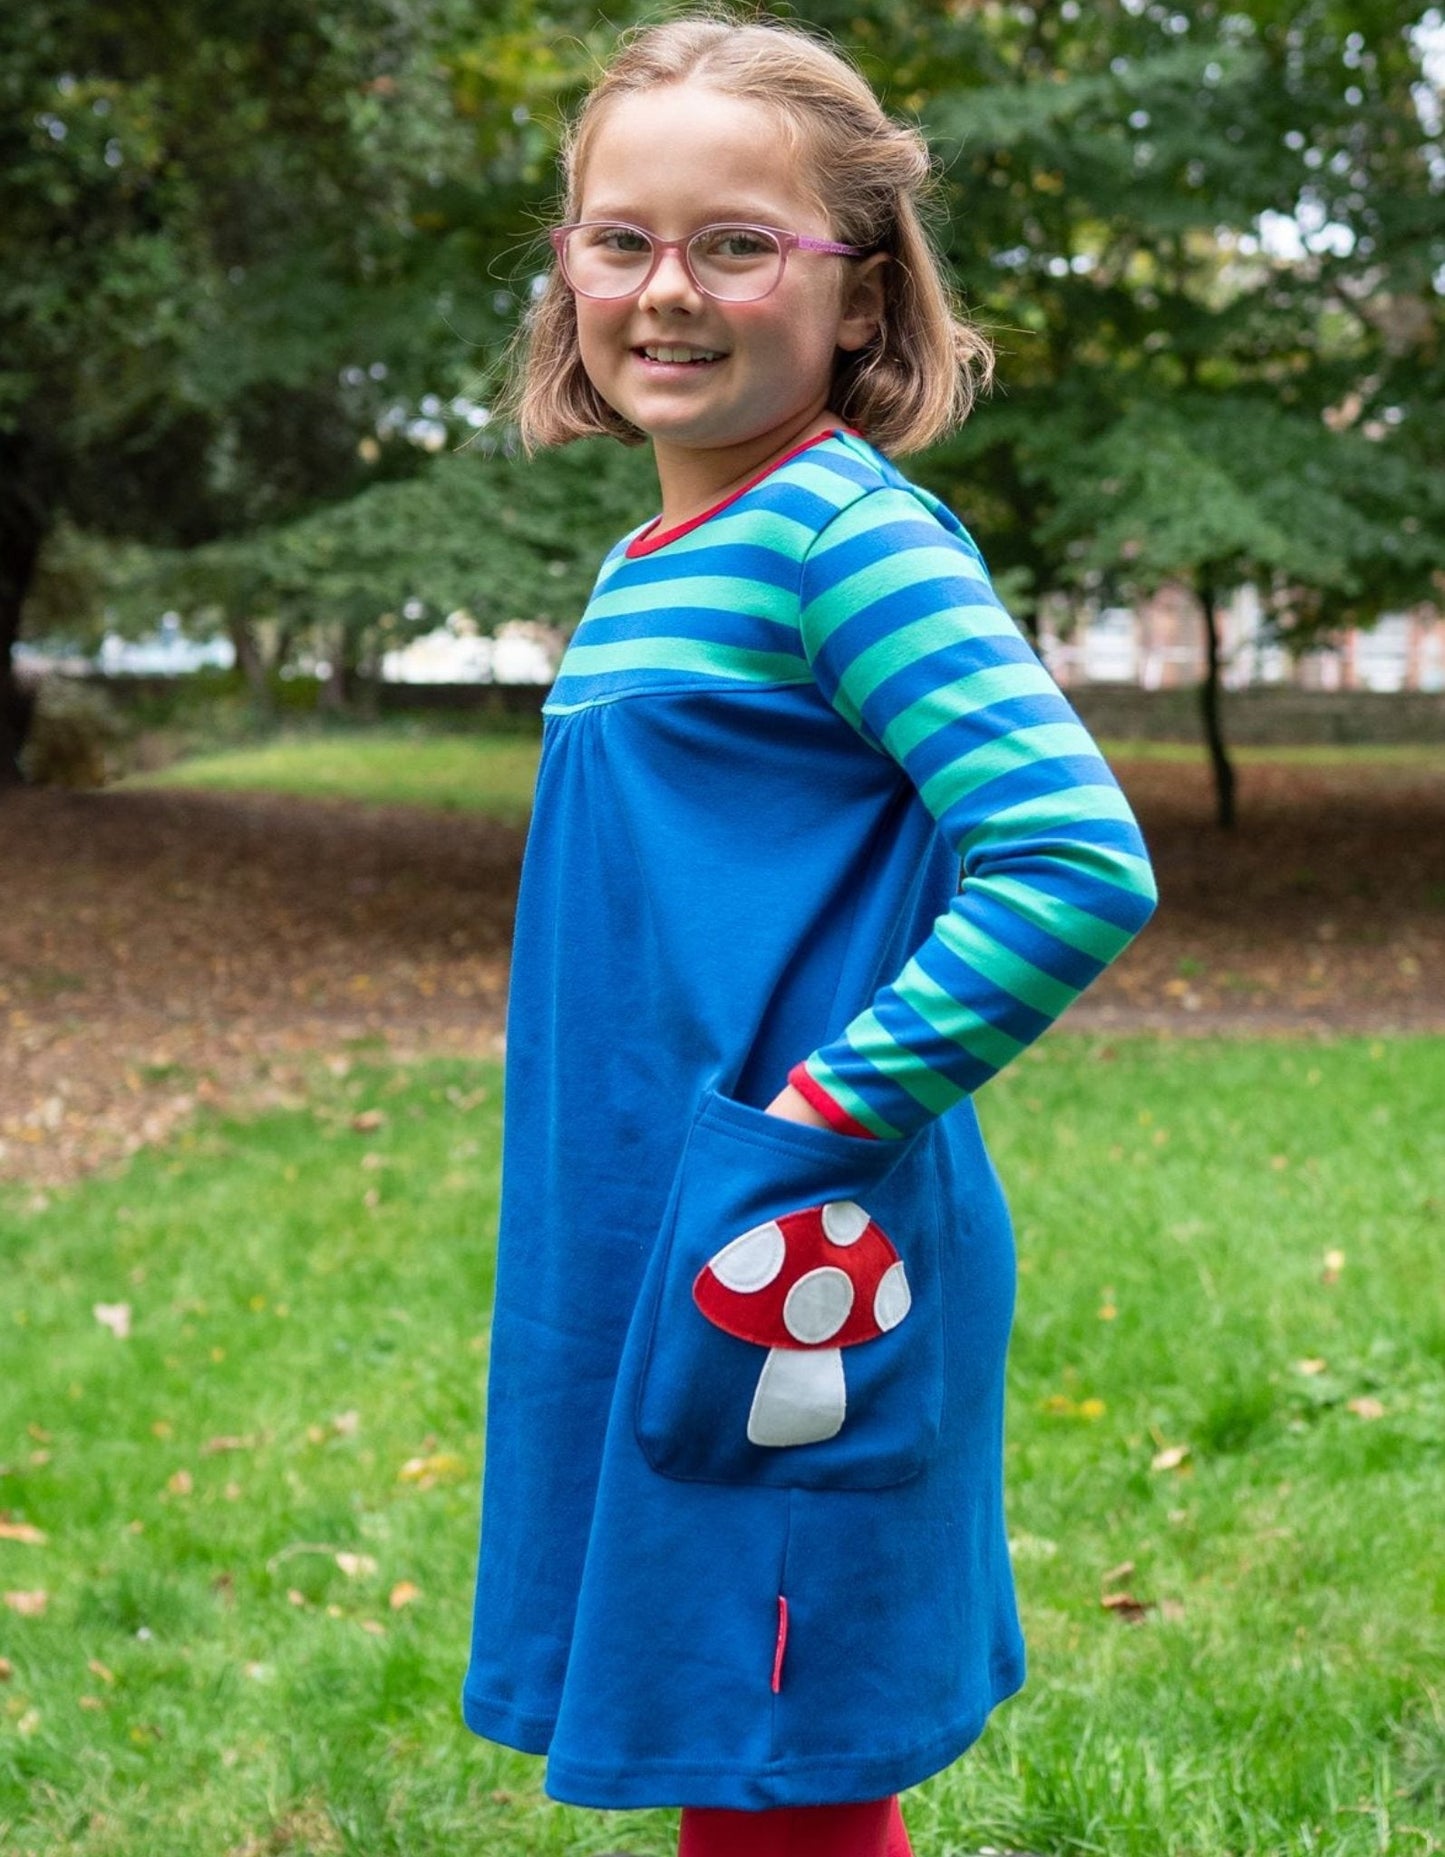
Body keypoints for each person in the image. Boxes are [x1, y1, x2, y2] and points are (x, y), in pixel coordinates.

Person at [462, 12, 1157, 1856]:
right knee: (724, 1716)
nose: (665, 289)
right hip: (643, 1214)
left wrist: (815, 1123)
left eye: (737, 241)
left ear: (858, 298)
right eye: (619, 238)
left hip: (785, 1238)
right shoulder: (649, 559)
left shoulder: (847, 537)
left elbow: (1071, 861)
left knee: (785, 1731)